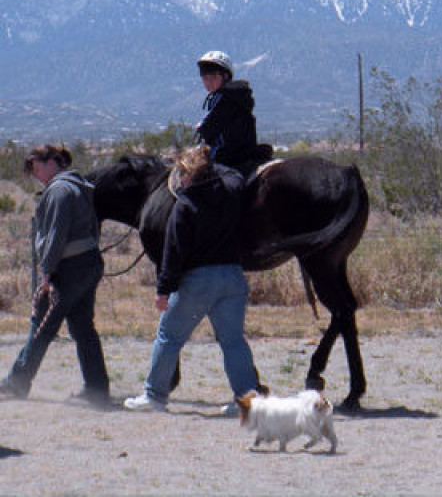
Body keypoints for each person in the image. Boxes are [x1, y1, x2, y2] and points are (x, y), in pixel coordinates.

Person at [124, 145, 266, 414]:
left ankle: (154, 396)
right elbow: (234, 174)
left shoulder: (185, 204)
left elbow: (173, 252)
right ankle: (248, 400)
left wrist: (163, 290)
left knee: (168, 337)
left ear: (188, 174)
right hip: (232, 277)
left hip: (198, 281)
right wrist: (210, 163)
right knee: (233, 341)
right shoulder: (232, 191)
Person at [0, 145, 110, 407]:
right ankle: (97, 389)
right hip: (88, 263)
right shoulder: (79, 186)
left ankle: (17, 381)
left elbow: (55, 235)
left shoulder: (60, 190)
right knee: (83, 328)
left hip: (67, 268)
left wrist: (47, 271)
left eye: (37, 169)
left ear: (51, 162)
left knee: (41, 326)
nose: (37, 176)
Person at [196, 50, 272, 177]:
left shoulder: (224, 98)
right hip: (243, 153)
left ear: (225, 77)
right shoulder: (237, 96)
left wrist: (201, 128)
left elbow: (210, 129)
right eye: (205, 78)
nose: (209, 82)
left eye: (213, 77)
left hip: (227, 156)